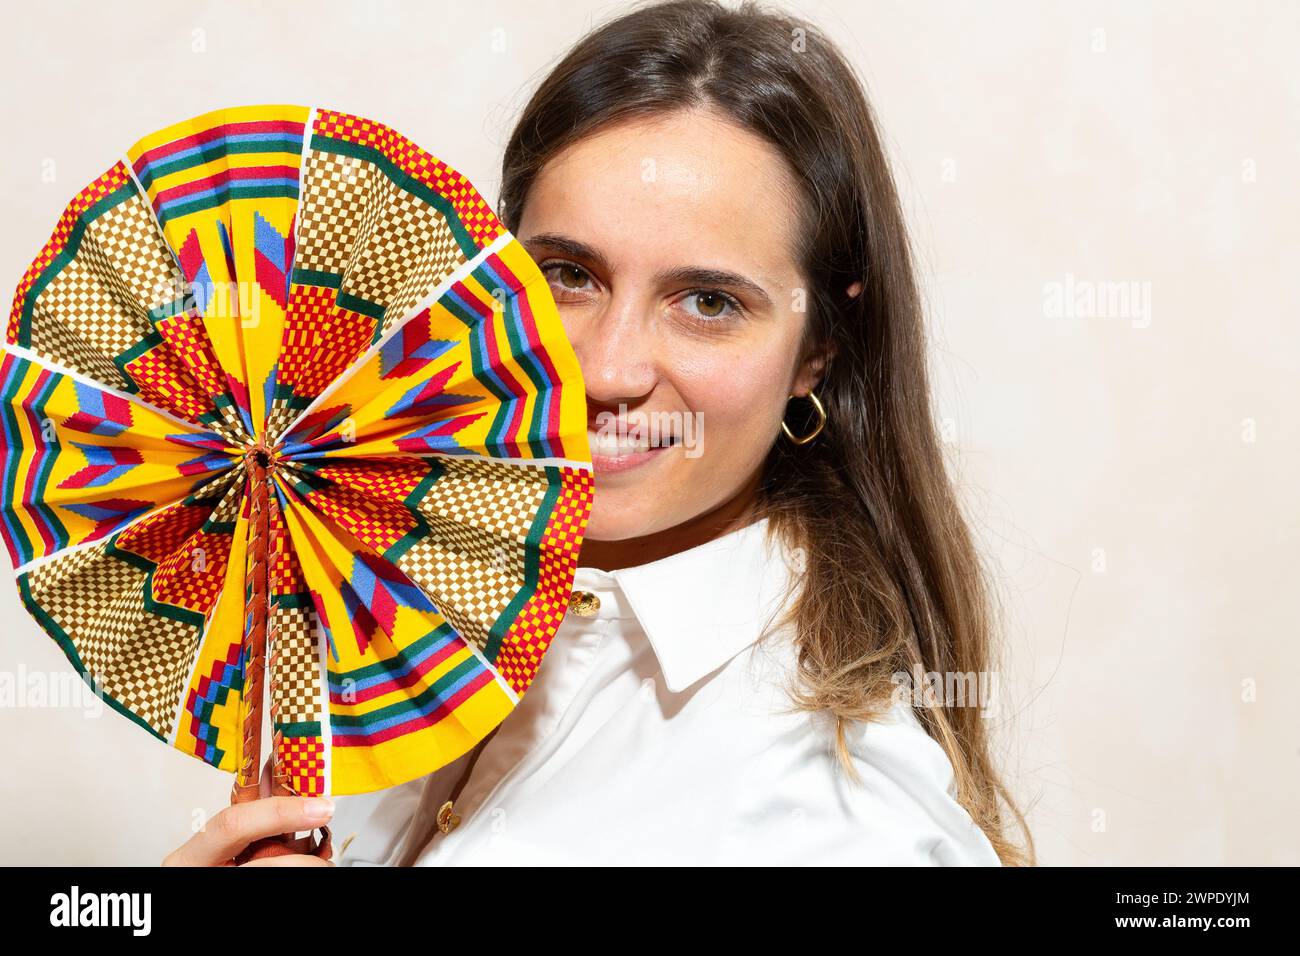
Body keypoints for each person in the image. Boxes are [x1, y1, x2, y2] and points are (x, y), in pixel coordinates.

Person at [164, 0, 1032, 867]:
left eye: (709, 302)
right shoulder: (404, 640)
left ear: (816, 353)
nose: (608, 372)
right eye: (569, 276)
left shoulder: (838, 819)